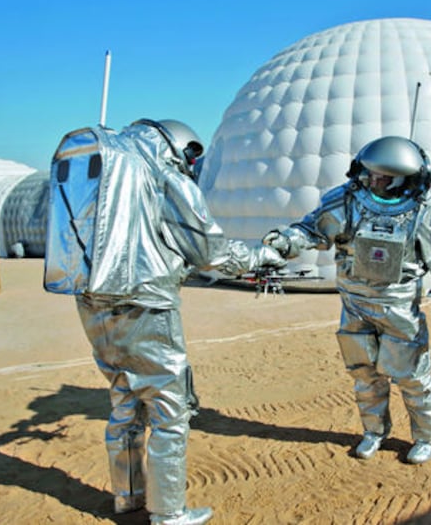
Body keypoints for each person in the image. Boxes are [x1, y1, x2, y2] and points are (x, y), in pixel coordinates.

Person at [73, 119, 286, 524]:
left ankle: (128, 497)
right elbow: (209, 251)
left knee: (124, 402)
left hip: (92, 303)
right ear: (183, 149)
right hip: (146, 307)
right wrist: (260, 256)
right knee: (169, 412)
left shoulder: (115, 168)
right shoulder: (163, 172)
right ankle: (168, 513)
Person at [263, 136, 431, 465]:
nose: (374, 181)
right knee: (364, 374)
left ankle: (428, 437)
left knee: (412, 376)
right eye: (371, 174)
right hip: (354, 303)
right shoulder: (347, 201)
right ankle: (374, 431)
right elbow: (313, 229)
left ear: (404, 179)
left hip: (398, 305)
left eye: (384, 177)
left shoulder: (425, 210)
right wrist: (287, 241)